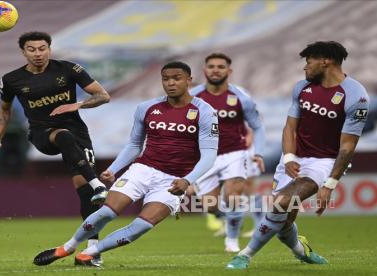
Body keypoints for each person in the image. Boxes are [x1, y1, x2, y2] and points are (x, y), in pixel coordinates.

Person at [32, 61, 219, 267]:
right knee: (106, 212)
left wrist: (187, 180)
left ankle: (90, 252)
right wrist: (113, 169)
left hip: (173, 181)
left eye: (177, 78)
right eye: (166, 79)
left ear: (189, 81)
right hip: (142, 170)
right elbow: (134, 145)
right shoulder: (147, 108)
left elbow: (209, 155)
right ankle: (67, 247)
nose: (171, 83)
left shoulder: (205, 112)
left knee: (141, 226)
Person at [227, 41, 369, 269]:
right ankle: (302, 250)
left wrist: (329, 184)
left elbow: (348, 146)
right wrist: (290, 158)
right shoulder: (302, 87)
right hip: (294, 159)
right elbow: (290, 128)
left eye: (309, 61)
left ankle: (244, 255)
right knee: (283, 222)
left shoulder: (355, 96)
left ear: (326, 61)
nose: (305, 67)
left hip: (324, 162)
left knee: (279, 203)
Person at [0, 31, 110, 265]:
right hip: (43, 134)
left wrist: (77, 104)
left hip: (78, 133)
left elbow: (103, 96)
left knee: (87, 196)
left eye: (42, 48)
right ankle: (98, 184)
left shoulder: (69, 69)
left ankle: (92, 253)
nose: (38, 53)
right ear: (23, 52)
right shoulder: (12, 79)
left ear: (49, 49)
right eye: (31, 49)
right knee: (63, 136)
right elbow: (4, 110)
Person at [187, 53, 265, 252]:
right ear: (204, 71)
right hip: (205, 157)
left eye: (220, 67)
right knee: (211, 206)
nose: (215, 70)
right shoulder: (192, 97)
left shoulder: (241, 97)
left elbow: (257, 126)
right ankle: (234, 217)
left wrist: (258, 153)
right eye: (211, 66)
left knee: (233, 196)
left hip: (235, 153)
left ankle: (231, 242)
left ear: (229, 71)